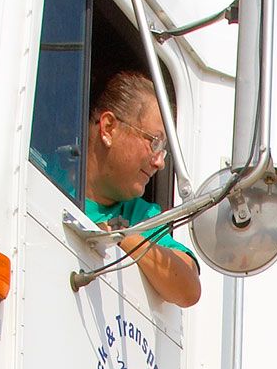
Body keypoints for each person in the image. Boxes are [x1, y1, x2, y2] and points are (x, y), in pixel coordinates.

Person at [80, 68, 201, 308]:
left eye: (163, 148)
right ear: (108, 128)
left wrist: (121, 236)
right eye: (154, 142)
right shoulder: (47, 170)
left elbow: (188, 288)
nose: (160, 161)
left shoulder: (139, 216)